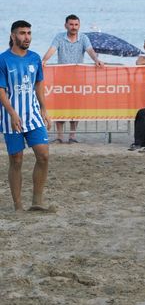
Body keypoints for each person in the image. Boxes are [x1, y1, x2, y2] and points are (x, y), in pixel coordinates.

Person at [0, 21, 52, 212]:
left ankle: (37, 201)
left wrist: (44, 109)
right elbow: (1, 91)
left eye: (29, 33)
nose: (27, 37)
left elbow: (38, 84)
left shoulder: (35, 58)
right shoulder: (3, 60)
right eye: (22, 33)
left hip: (33, 116)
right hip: (10, 118)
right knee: (17, 160)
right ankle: (18, 205)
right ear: (13, 36)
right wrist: (12, 114)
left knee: (44, 155)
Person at [41, 14, 104, 144]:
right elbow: (52, 50)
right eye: (71, 24)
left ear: (79, 26)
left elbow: (90, 50)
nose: (73, 27)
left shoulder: (84, 38)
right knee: (60, 106)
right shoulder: (59, 37)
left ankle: (72, 135)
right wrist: (45, 60)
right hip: (61, 78)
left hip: (78, 79)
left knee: (75, 107)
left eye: (76, 25)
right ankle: (59, 136)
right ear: (66, 25)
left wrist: (97, 60)